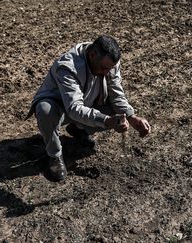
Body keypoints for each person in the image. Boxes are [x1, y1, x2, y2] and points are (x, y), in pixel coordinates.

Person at [26, 35, 151, 181]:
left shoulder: (108, 62)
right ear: (92, 55)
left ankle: (78, 128)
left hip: (86, 102)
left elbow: (116, 93)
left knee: (117, 112)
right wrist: (106, 120)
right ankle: (54, 155)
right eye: (104, 68)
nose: (106, 72)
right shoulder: (67, 67)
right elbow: (74, 107)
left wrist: (131, 116)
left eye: (109, 69)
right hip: (61, 107)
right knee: (45, 110)